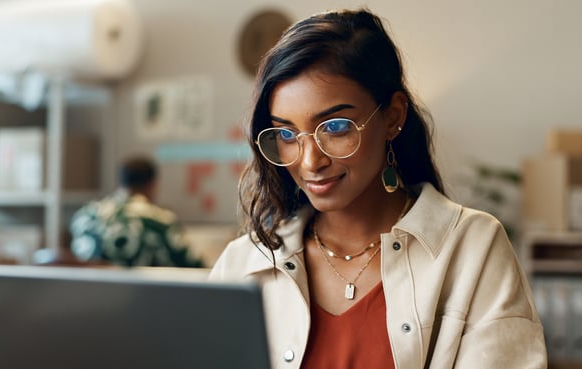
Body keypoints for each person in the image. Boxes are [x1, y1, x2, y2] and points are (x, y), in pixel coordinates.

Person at [209, 8, 546, 369]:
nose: (309, 162)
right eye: (287, 135)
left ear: (393, 117)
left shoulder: (472, 249)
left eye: (335, 127)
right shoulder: (244, 263)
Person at [69, 156, 203, 268]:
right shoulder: (160, 221)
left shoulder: (85, 216)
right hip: (142, 297)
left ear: (121, 183)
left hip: (88, 296)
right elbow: (194, 268)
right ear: (152, 185)